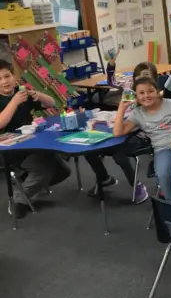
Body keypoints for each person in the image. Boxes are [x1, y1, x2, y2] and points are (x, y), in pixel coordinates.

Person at [113, 77, 171, 204]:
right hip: (163, 149)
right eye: (141, 93)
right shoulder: (138, 114)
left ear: (157, 91)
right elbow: (118, 132)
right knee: (163, 173)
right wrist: (121, 108)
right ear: (136, 97)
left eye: (150, 91)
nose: (146, 96)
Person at [0, 60, 70, 218]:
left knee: (63, 171)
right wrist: (14, 102)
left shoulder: (21, 92)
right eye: (0, 79)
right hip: (11, 150)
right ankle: (19, 201)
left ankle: (25, 181)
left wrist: (37, 95)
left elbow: (52, 103)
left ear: (14, 76)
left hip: (33, 142)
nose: (4, 81)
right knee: (44, 168)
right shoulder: (12, 98)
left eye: (7, 76)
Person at [84, 61, 160, 204]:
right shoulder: (129, 88)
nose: (141, 79)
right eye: (138, 76)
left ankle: (137, 185)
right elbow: (111, 81)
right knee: (89, 149)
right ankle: (104, 178)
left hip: (142, 136)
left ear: (154, 79)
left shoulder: (151, 95)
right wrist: (111, 65)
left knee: (119, 152)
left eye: (146, 76)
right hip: (123, 129)